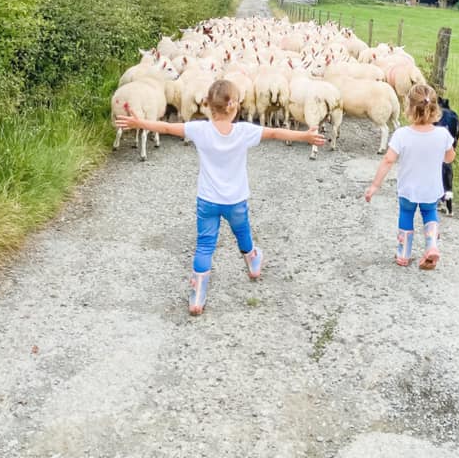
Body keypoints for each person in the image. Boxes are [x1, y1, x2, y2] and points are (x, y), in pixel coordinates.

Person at [115, 78, 325, 316]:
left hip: (207, 200)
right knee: (243, 233)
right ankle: (253, 262)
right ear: (234, 106)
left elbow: (165, 128)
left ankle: (197, 296)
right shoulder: (244, 132)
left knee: (205, 245)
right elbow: (275, 133)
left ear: (207, 105)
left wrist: (137, 121)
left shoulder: (199, 130)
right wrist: (305, 136)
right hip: (235, 200)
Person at [365, 84, 455, 270]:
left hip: (408, 189)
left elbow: (388, 160)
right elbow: (449, 157)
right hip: (431, 188)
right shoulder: (442, 134)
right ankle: (431, 246)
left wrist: (375, 185)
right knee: (430, 213)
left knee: (406, 215)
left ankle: (403, 254)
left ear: (409, 108)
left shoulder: (402, 135)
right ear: (435, 109)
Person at [434, 95, 459, 216]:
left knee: (437, 170)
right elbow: (457, 135)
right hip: (450, 145)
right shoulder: (454, 115)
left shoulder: (436, 115)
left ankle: (438, 200)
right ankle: (449, 206)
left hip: (437, 146)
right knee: (447, 167)